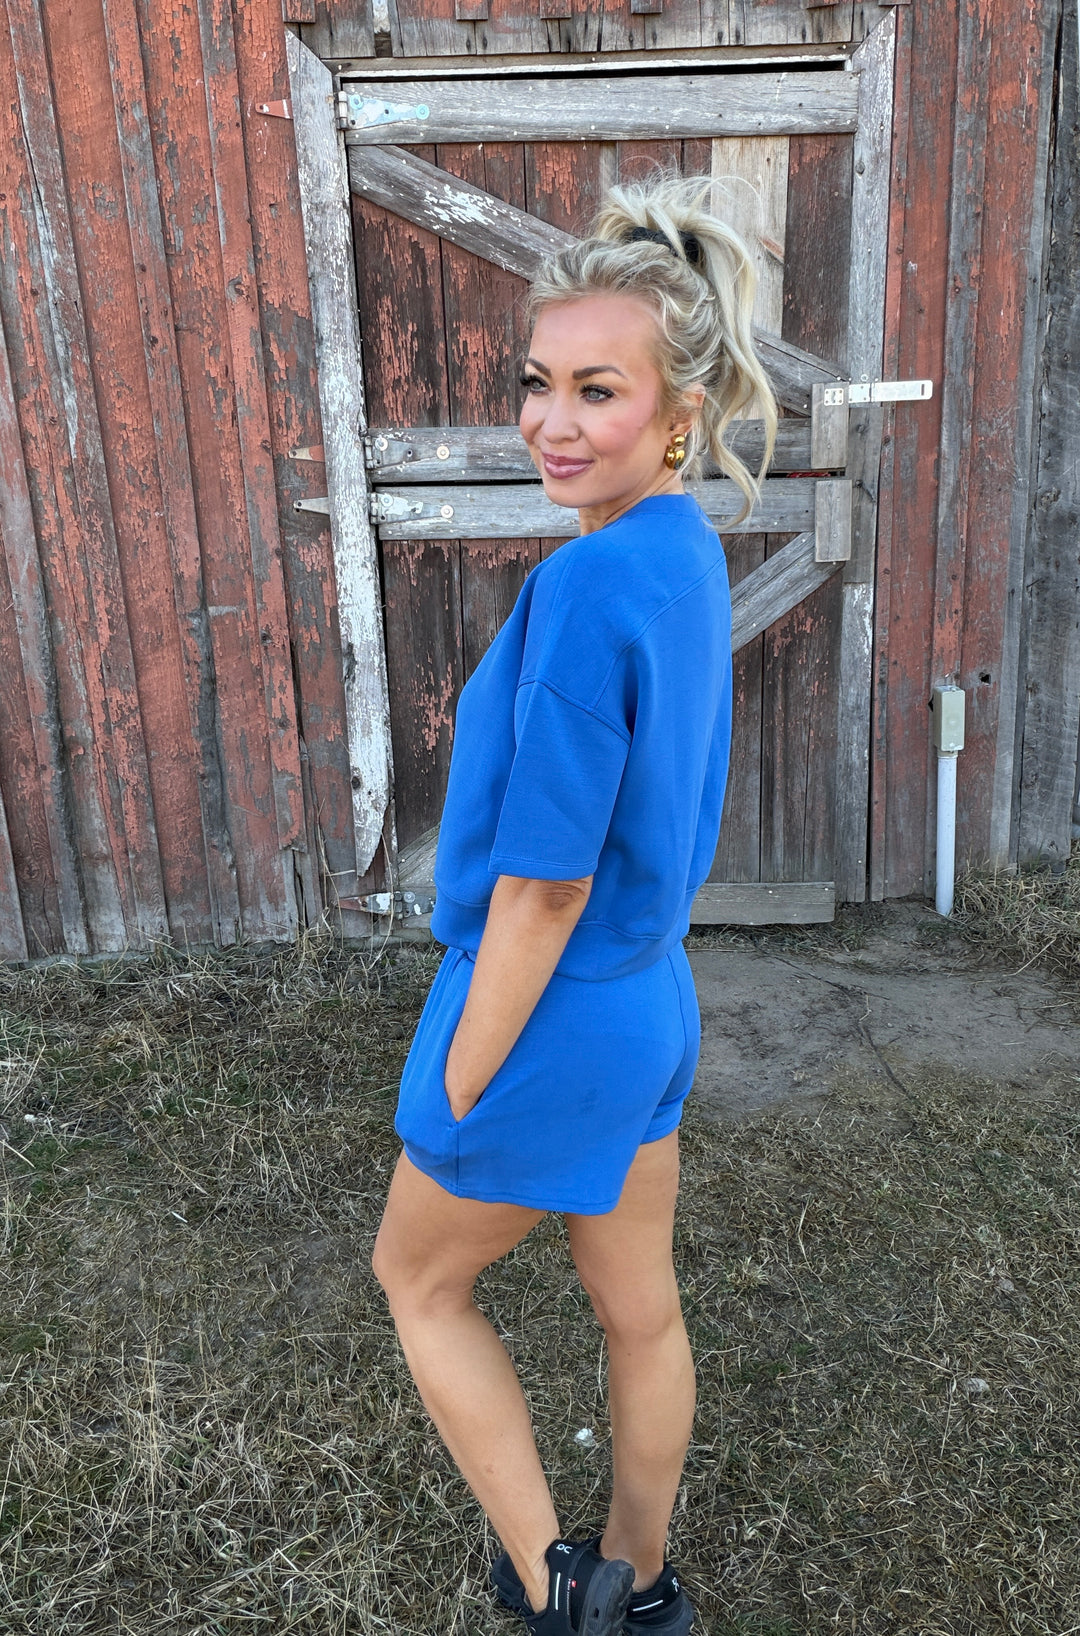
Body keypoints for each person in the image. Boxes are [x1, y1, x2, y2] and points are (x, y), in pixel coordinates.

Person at [372, 173, 777, 1636]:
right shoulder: (678, 553)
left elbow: (541, 884)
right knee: (637, 1304)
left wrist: (466, 1074)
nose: (550, 422)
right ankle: (641, 1578)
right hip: (650, 1004)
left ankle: (557, 1585)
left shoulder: (588, 590)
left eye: (596, 391)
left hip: (548, 1008)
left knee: (415, 1283)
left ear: (681, 408)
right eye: (537, 384)